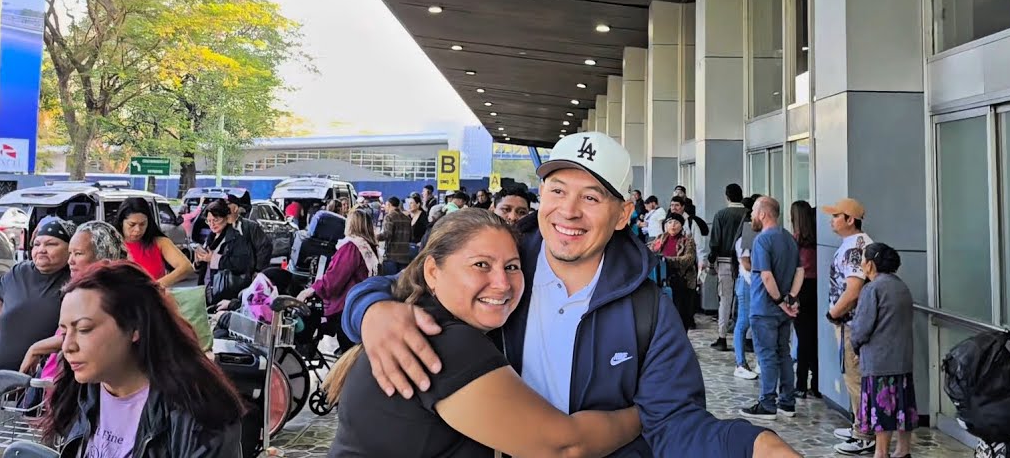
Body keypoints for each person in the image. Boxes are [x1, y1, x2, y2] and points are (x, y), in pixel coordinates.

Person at [342, 132, 799, 457]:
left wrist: (748, 444)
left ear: (622, 215)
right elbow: (420, 281)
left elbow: (676, 423)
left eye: (592, 198)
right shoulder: (504, 268)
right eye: (557, 190)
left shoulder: (647, 308)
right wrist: (372, 310)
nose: (569, 211)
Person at [326, 207, 643, 457]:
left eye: (511, 266)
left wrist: (367, 306)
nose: (502, 283)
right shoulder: (445, 341)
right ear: (433, 271)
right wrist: (648, 411)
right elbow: (565, 447)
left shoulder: (416, 314)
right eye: (481, 265)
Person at [42, 261, 243, 457]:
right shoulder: (79, 390)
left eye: (84, 329)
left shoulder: (198, 415)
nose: (68, 346)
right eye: (64, 331)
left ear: (134, 327)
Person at [21, 221, 128, 377]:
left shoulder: (112, 292)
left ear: (102, 256)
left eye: (78, 254)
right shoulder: (82, 289)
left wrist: (36, 348)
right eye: (70, 253)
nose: (70, 261)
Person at [848, 244, 916, 458]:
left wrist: (855, 343)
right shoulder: (902, 286)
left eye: (863, 260)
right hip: (902, 359)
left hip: (879, 361)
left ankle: (881, 452)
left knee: (882, 408)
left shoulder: (872, 289)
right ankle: (903, 450)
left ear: (870, 264)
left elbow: (862, 327)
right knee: (903, 407)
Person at [739, 196, 802, 421]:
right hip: (782, 310)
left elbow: (766, 275)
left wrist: (779, 301)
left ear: (764, 214)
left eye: (755, 212)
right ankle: (787, 402)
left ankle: (767, 403)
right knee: (783, 353)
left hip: (765, 308)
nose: (752, 216)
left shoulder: (762, 241)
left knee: (766, 355)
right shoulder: (788, 238)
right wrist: (790, 300)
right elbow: (799, 271)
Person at [824, 197, 875, 455]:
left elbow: (853, 289)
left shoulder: (855, 248)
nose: (831, 221)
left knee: (855, 376)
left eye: (836, 216)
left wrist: (834, 313)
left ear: (850, 220)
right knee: (853, 375)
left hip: (851, 323)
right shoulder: (855, 244)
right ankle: (859, 423)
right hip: (850, 322)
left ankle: (864, 432)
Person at [0, 219, 73, 374]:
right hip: (0, 378)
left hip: (44, 380)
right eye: (37, 244)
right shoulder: (19, 272)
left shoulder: (74, 280)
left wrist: (38, 349)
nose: (41, 249)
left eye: (51, 244)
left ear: (70, 249)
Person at [297, 207, 379, 352]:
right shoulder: (369, 247)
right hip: (362, 306)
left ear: (352, 225)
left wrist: (312, 289)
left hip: (346, 307)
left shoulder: (351, 247)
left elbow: (334, 280)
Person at [109, 198, 195, 289]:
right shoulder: (110, 244)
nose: (137, 230)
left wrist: (155, 286)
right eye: (132, 224)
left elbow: (186, 267)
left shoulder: (160, 242)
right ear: (121, 222)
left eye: (142, 224)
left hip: (153, 299)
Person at [708, 184, 749, 352]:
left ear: (727, 196)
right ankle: (747, 338)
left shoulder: (721, 215)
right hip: (745, 262)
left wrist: (712, 259)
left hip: (725, 261)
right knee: (745, 300)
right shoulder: (748, 215)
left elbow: (715, 241)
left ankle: (722, 336)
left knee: (725, 299)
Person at [791, 201, 820, 399]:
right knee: (815, 338)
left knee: (803, 339)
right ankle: (818, 383)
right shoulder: (818, 241)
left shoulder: (794, 242)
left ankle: (801, 383)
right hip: (817, 288)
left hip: (800, 289)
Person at [652, 216, 699, 331]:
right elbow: (650, 252)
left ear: (681, 225)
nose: (673, 225)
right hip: (662, 282)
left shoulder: (687, 241)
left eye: (676, 223)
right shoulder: (659, 239)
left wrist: (667, 260)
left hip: (681, 282)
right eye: (670, 222)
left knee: (681, 314)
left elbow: (689, 259)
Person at [732, 206, 759, 381]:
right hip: (747, 283)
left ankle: (756, 361)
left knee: (754, 322)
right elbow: (746, 263)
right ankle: (740, 363)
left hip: (753, 283)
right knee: (744, 323)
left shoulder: (756, 238)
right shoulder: (744, 240)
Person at [378, 197, 413, 275]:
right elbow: (411, 237)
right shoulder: (407, 219)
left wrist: (375, 237)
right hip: (404, 256)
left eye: (386, 205)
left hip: (392, 256)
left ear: (390, 205)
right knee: (401, 282)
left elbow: (387, 234)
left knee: (390, 282)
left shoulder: (389, 217)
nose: (385, 207)